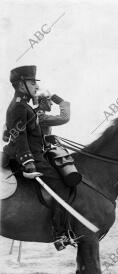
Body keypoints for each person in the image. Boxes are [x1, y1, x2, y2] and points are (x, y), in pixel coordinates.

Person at [3, 65, 72, 251]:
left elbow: (13, 132)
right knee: (61, 184)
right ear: (20, 84)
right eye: (32, 82)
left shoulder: (25, 106)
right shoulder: (20, 106)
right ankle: (60, 234)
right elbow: (20, 138)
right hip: (30, 156)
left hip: (32, 152)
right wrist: (29, 164)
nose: (35, 86)